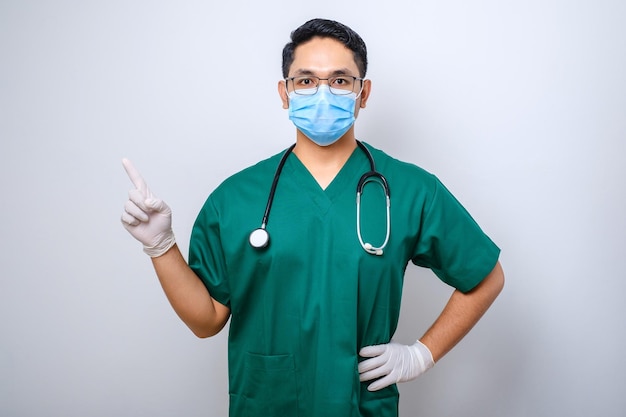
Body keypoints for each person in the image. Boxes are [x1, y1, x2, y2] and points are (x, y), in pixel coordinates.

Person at [121, 18, 504, 417]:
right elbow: (207, 320)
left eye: (340, 80)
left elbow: (485, 277)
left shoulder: (410, 190)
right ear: (284, 93)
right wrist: (161, 247)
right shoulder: (235, 198)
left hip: (361, 408)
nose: (323, 92)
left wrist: (421, 355)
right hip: (267, 406)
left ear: (363, 92)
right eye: (305, 81)